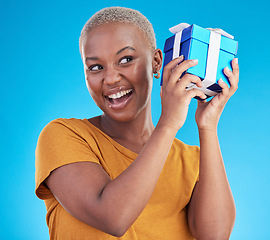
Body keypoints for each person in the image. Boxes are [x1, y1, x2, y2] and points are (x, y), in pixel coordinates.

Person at [35, 6, 239, 240]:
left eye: (126, 60)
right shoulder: (65, 136)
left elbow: (215, 236)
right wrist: (168, 123)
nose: (110, 78)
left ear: (156, 62)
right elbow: (112, 217)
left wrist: (208, 126)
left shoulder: (191, 160)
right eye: (96, 67)